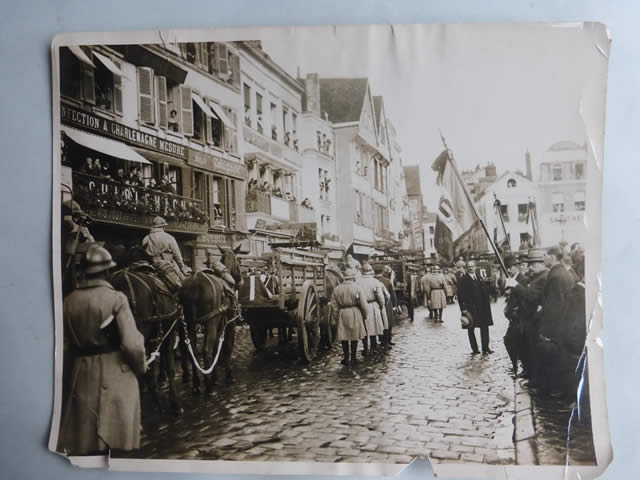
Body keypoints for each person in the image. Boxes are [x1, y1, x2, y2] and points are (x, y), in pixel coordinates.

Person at [58, 245, 146, 456]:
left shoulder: (68, 301)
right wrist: (141, 367)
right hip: (115, 373)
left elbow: (65, 348)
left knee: (85, 442)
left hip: (82, 375)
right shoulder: (117, 298)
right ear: (107, 271)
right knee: (116, 443)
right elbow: (132, 345)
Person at [533, 246, 577, 396]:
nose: (543, 258)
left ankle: (554, 391)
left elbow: (554, 306)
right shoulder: (564, 272)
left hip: (556, 327)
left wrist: (546, 332)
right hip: (565, 324)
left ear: (552, 257)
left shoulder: (555, 276)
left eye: (544, 255)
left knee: (553, 360)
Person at [505, 249, 549, 383]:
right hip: (526, 319)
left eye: (533, 264)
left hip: (534, 320)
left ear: (542, 264)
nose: (530, 267)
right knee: (527, 349)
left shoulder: (543, 278)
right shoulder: (536, 277)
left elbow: (531, 296)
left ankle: (534, 379)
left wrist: (516, 285)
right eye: (529, 264)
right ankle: (530, 375)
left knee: (532, 351)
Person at [142, 216, 191, 292]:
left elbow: (143, 252)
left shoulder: (146, 238)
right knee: (182, 287)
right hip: (167, 266)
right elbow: (177, 255)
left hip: (151, 266)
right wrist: (182, 267)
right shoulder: (169, 237)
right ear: (163, 227)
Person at [330, 268, 368, 366]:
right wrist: (364, 314)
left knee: (344, 336)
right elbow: (363, 304)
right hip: (355, 312)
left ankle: (346, 358)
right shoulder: (357, 288)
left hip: (342, 313)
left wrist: (336, 316)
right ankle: (353, 358)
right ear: (353, 278)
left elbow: (334, 305)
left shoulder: (337, 289)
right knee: (354, 336)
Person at [457, 260, 494, 354]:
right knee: (471, 328)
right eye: (469, 266)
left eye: (472, 266)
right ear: (466, 268)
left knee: (484, 327)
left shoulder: (479, 277)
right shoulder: (463, 280)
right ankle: (475, 349)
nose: (470, 268)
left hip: (482, 308)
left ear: (475, 267)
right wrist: (463, 309)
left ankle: (485, 348)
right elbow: (460, 296)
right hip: (470, 308)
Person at [356, 263, 388, 356]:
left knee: (364, 328)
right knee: (373, 327)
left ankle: (365, 348)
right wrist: (381, 305)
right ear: (370, 271)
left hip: (361, 306)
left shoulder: (357, 282)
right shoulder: (375, 282)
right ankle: (373, 348)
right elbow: (380, 296)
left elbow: (356, 296)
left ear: (362, 271)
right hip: (373, 305)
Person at [376, 266, 396, 348]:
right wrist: (394, 305)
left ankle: (382, 340)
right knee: (388, 321)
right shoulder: (388, 281)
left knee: (380, 322)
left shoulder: (375, 280)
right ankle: (388, 340)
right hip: (387, 303)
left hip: (377, 303)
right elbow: (392, 294)